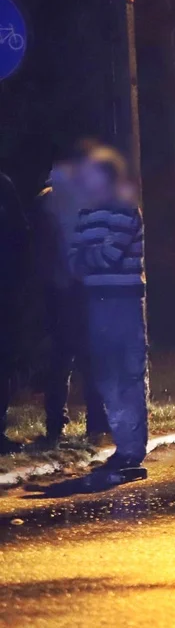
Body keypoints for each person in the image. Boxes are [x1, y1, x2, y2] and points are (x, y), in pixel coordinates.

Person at [69, 150, 148, 476]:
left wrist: (90, 256)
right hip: (96, 302)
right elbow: (73, 260)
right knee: (107, 376)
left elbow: (109, 256)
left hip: (123, 302)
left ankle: (131, 451)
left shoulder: (125, 210)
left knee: (127, 375)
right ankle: (124, 446)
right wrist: (91, 256)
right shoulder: (86, 214)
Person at [34, 140, 110, 445]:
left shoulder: (46, 201)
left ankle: (56, 425)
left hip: (59, 287)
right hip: (82, 288)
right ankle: (96, 423)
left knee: (61, 357)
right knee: (88, 358)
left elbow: (41, 249)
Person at [0, 168, 28, 454]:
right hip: (6, 290)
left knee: (3, 362)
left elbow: (22, 238)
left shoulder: (4, 185)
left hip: (4, 292)